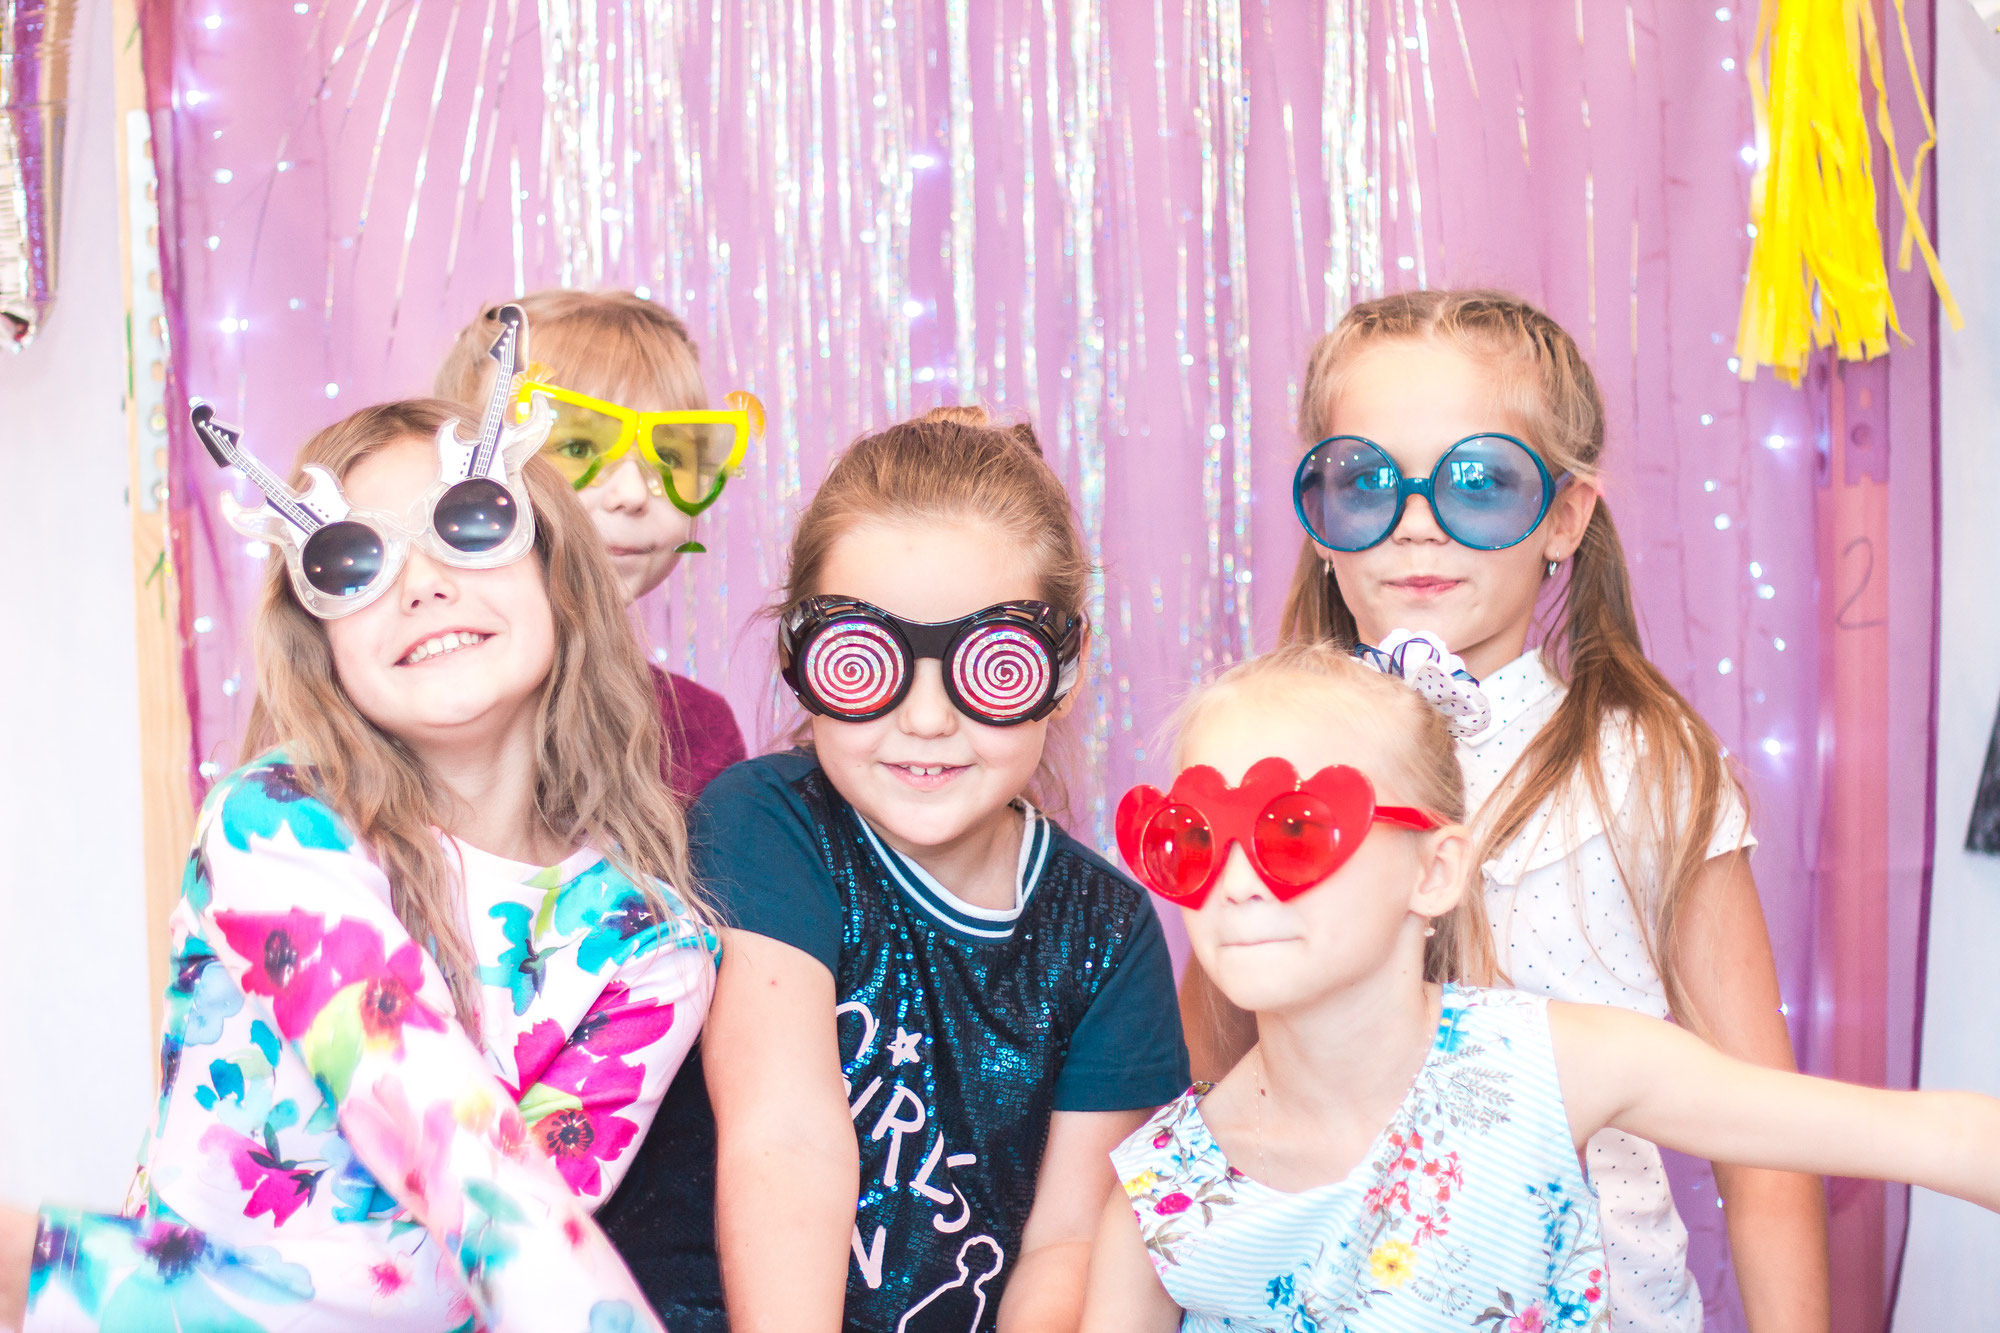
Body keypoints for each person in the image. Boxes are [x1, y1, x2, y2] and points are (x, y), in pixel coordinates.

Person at [1, 382, 715, 1331]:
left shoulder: (654, 945)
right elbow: (439, 1128)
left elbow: (478, 1266)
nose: (420, 584)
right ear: (321, 640)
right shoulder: (277, 823)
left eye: (470, 522)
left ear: (558, 570)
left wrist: (55, 1270)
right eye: (351, 561)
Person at [1180, 288, 1828, 1329]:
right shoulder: (1262, 755)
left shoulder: (1647, 768)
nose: (1416, 523)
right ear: (1321, 519)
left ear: (1564, 516)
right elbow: (1212, 1087)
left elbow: (1768, 1142)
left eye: (1477, 482)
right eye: (1365, 482)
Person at [1082, 643, 2000, 1333]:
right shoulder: (1161, 1197)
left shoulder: (1551, 1061)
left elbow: (1941, 1137)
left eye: (1292, 830)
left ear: (1434, 871)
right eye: (1192, 838)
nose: (1237, 882)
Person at [597, 407, 1189, 1332]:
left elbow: (1069, 1244)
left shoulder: (1108, 932)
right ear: (798, 659)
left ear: (1066, 667)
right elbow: (784, 1137)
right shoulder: (764, 820)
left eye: (992, 662)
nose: (925, 718)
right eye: (865, 659)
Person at [436, 289, 749, 803]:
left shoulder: (699, 732)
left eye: (670, 456)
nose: (632, 494)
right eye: (578, 447)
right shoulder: (412, 697)